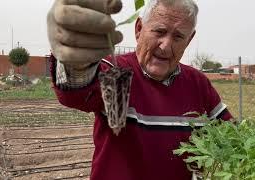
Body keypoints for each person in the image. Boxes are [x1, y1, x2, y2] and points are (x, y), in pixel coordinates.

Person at [47, 0, 232, 179]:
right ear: (138, 29)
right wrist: (73, 62)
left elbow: (231, 137)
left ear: (189, 40)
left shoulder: (198, 83)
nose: (166, 46)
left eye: (178, 37)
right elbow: (74, 91)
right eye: (160, 31)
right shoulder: (116, 73)